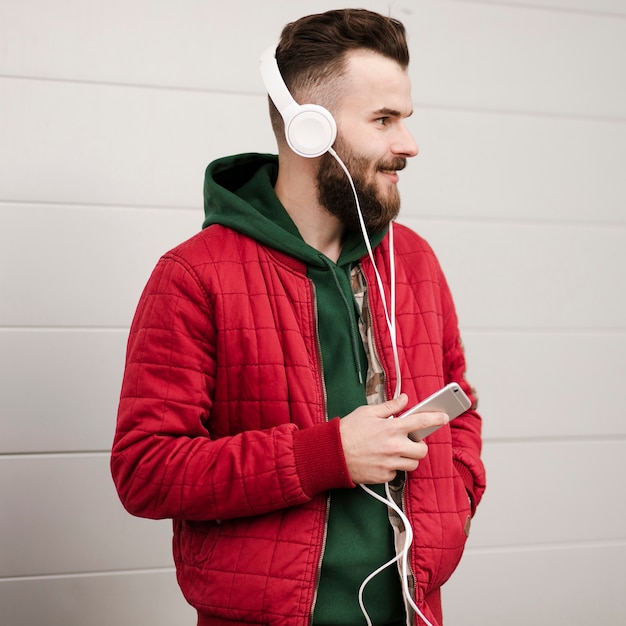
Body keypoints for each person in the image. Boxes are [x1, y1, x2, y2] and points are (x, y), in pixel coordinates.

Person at [111, 8, 486, 626]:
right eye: (384, 120)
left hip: (416, 612)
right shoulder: (194, 275)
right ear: (309, 130)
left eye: (406, 120)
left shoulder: (413, 260)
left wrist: (459, 495)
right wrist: (326, 454)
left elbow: (459, 402)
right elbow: (145, 469)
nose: (409, 145)